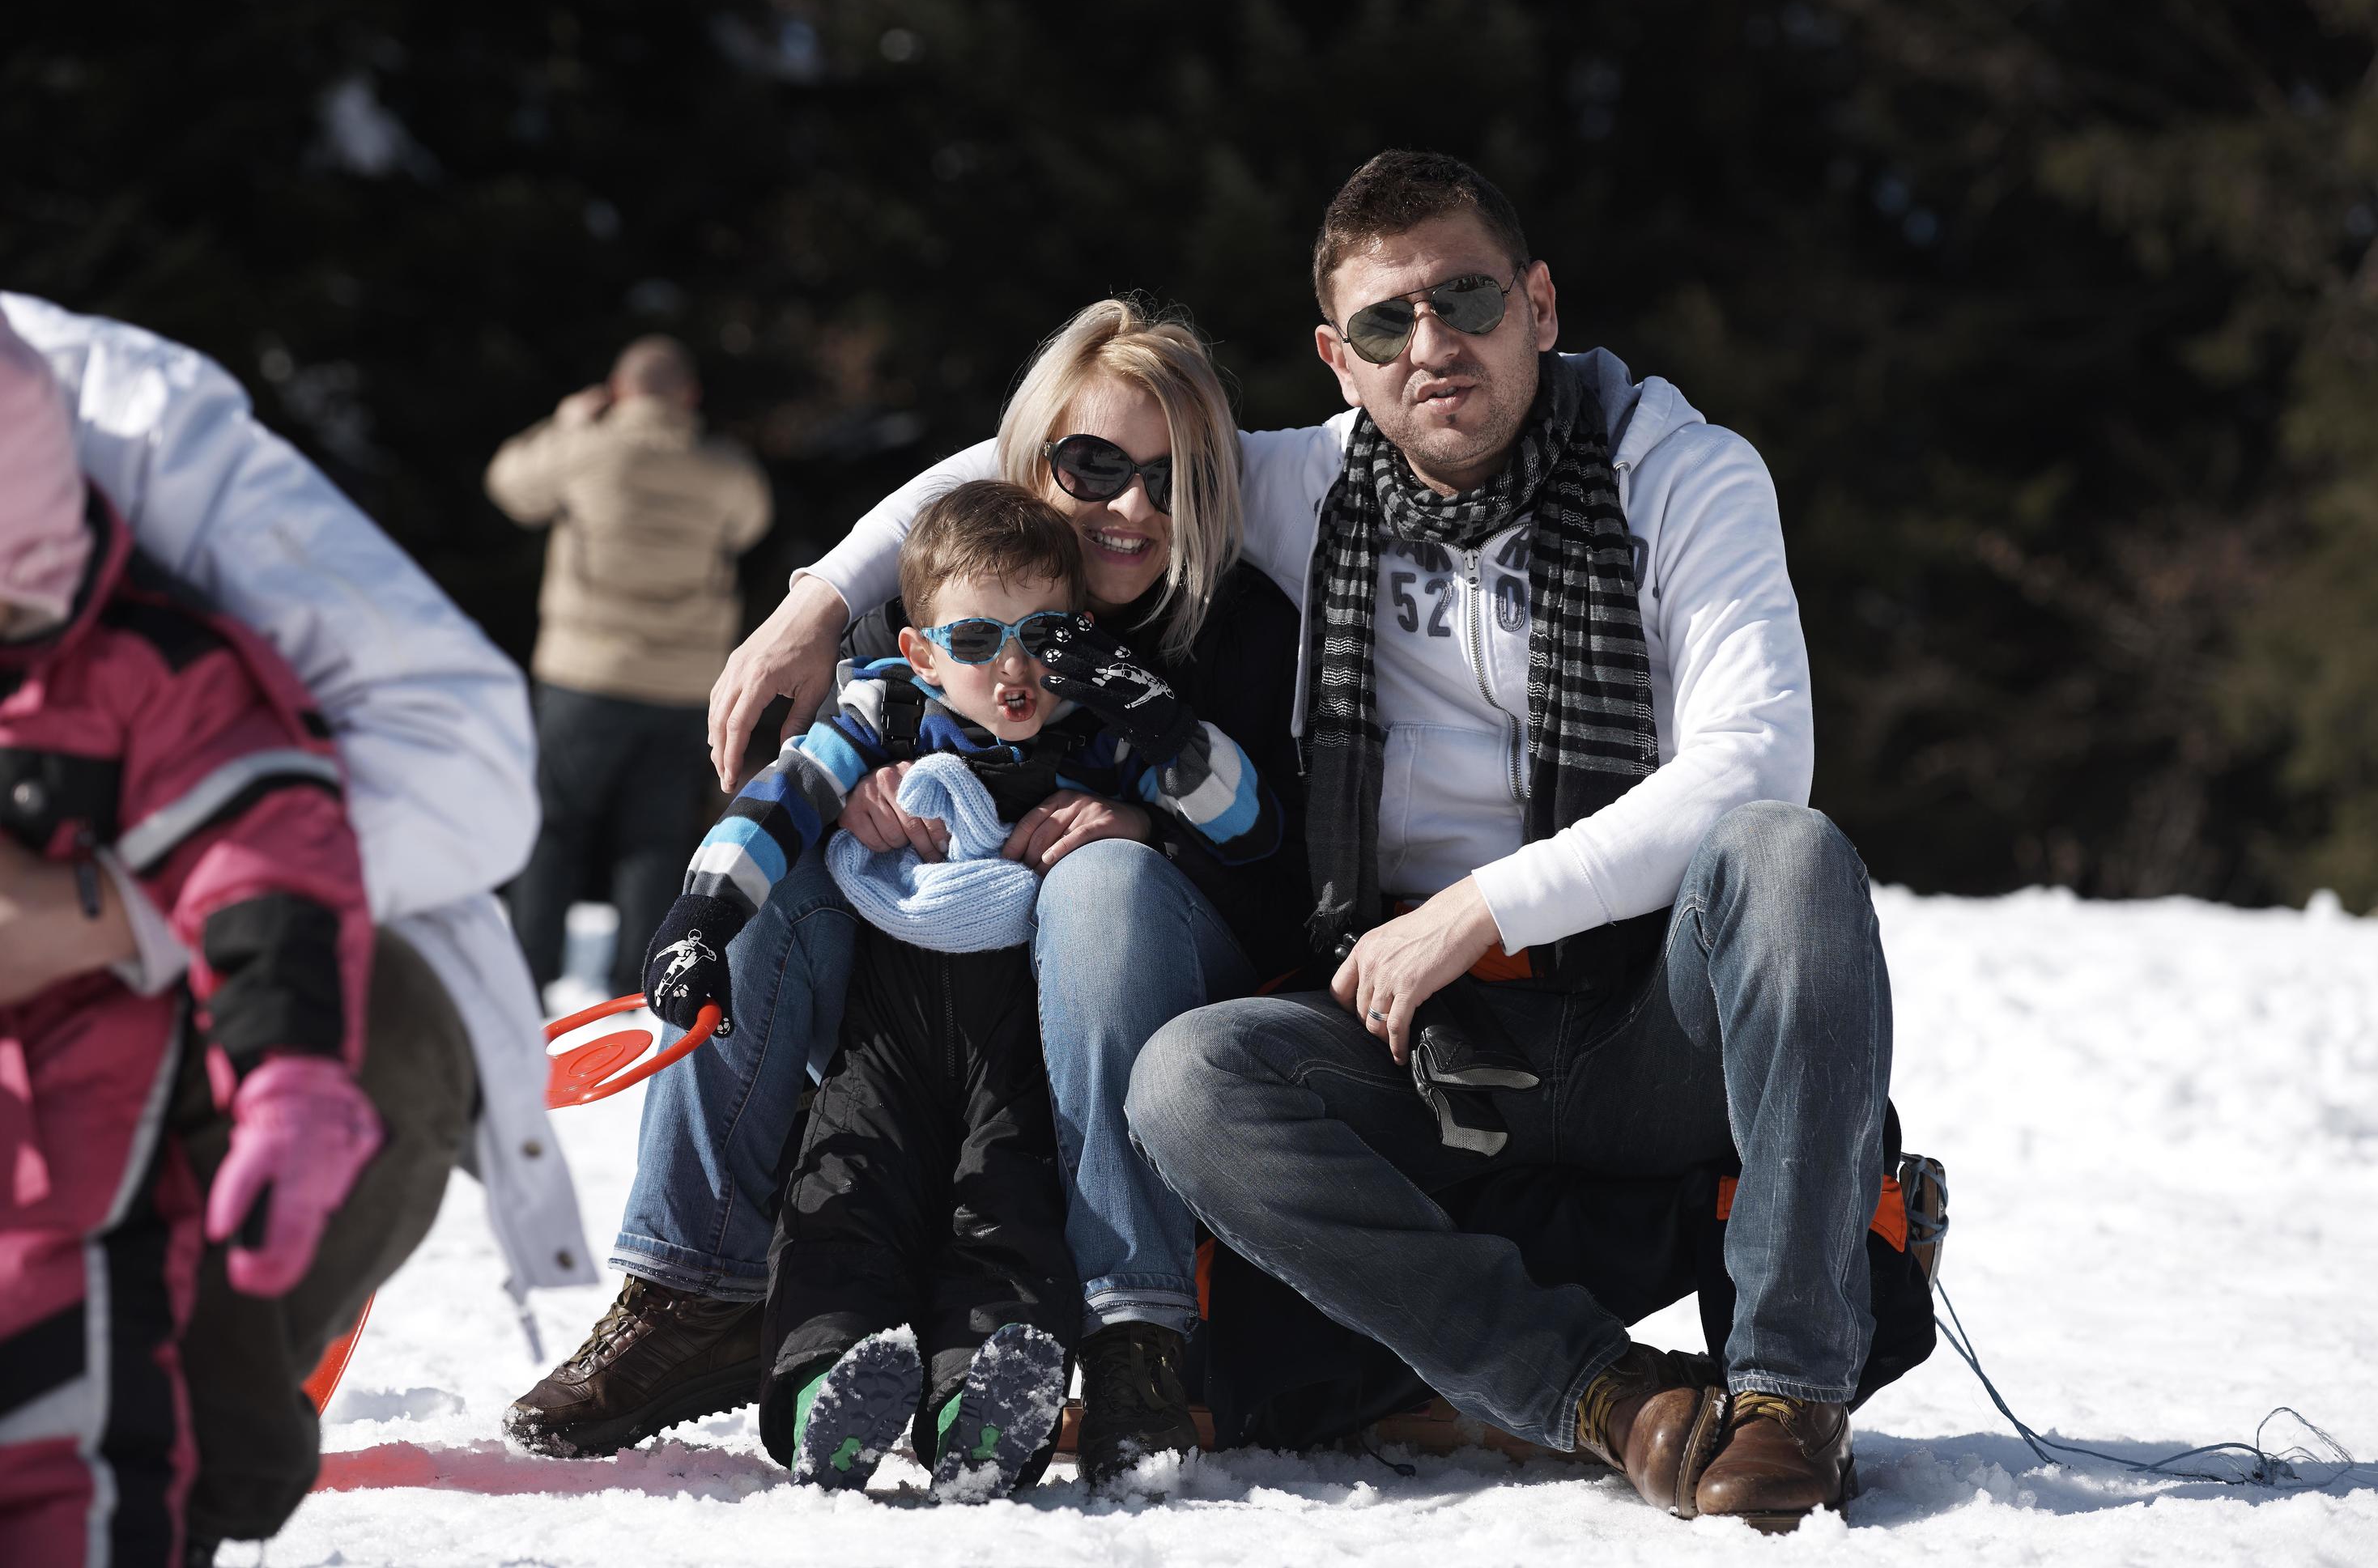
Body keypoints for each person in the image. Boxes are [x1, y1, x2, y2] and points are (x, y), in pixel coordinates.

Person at [717, 151, 1890, 1530]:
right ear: (1339, 359)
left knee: (1785, 856)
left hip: (1646, 1011)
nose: (1433, 345)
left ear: (1540, 304)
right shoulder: (1304, 484)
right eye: (1388, 323)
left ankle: (1781, 1401)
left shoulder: (1678, 472)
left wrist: (1476, 912)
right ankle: (1602, 1398)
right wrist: (817, 600)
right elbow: (1036, 456)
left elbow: (1753, 760)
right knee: (1188, 1083)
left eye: (1466, 299)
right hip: (1421, 1036)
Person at [508, 300, 1308, 1488]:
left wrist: (1150, 805)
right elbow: (800, 781)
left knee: (1099, 884)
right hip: (911, 1004)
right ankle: (695, 1287)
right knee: (782, 878)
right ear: (1035, 464)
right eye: (1096, 466)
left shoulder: (1239, 626)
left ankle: (1133, 1333)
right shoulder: (928, 598)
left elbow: (1284, 862)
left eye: (1171, 476)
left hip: (1138, 967)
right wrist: (795, 847)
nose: (1134, 509)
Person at [2, 293, 592, 1556]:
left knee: (77, 1418)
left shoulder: (107, 435)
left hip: (101, 1076)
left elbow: (461, 758)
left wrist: (105, 916)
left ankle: (199, 1432)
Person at [649, 482, 1277, 1499]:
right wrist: (702, 917)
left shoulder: (1104, 736)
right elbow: (785, 794)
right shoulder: (887, 713)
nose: (1016, 667)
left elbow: (1248, 826)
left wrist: (1159, 726)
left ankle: (980, 1411)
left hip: (1018, 1055)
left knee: (1011, 1225)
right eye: (979, 638)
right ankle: (825, 1398)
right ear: (923, 650)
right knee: (844, 1199)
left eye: (1045, 636)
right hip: (883, 1047)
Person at [1, 312, 379, 1567]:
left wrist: (291, 1082)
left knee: (78, 1498)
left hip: (74, 1221)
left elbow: (264, 867)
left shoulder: (147, 677)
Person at [487, 334, 773, 998]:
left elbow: (509, 484)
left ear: (617, 391)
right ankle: (637, 984)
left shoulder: (582, 447)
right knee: (656, 834)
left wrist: (566, 421)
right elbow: (751, 523)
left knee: (554, 825)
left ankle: (530, 973)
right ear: (690, 396)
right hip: (680, 684)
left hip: (582, 676)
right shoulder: (724, 468)